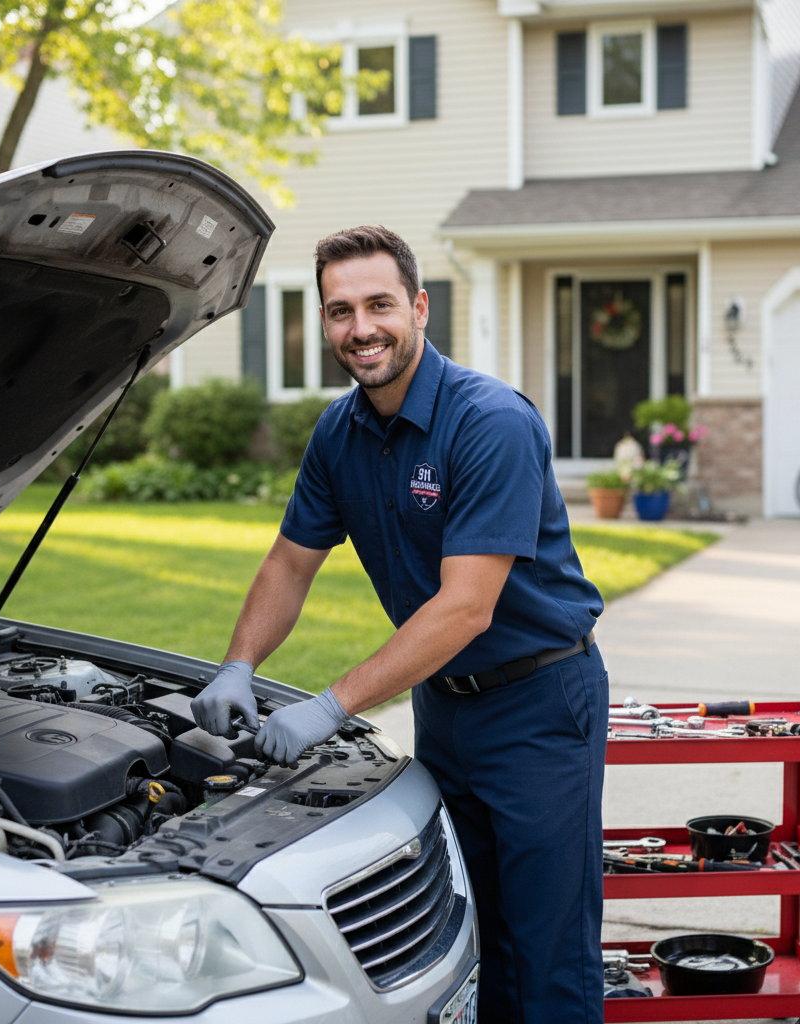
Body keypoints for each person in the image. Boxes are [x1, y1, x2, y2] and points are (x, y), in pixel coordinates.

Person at [191, 226, 608, 1023]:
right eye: (340, 311)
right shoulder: (339, 434)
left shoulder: (489, 422)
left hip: (541, 702)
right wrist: (237, 663)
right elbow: (288, 564)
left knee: (549, 948)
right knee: (472, 938)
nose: (361, 328)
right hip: (445, 709)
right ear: (324, 323)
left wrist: (331, 704)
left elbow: (465, 606)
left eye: (379, 304)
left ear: (418, 307)